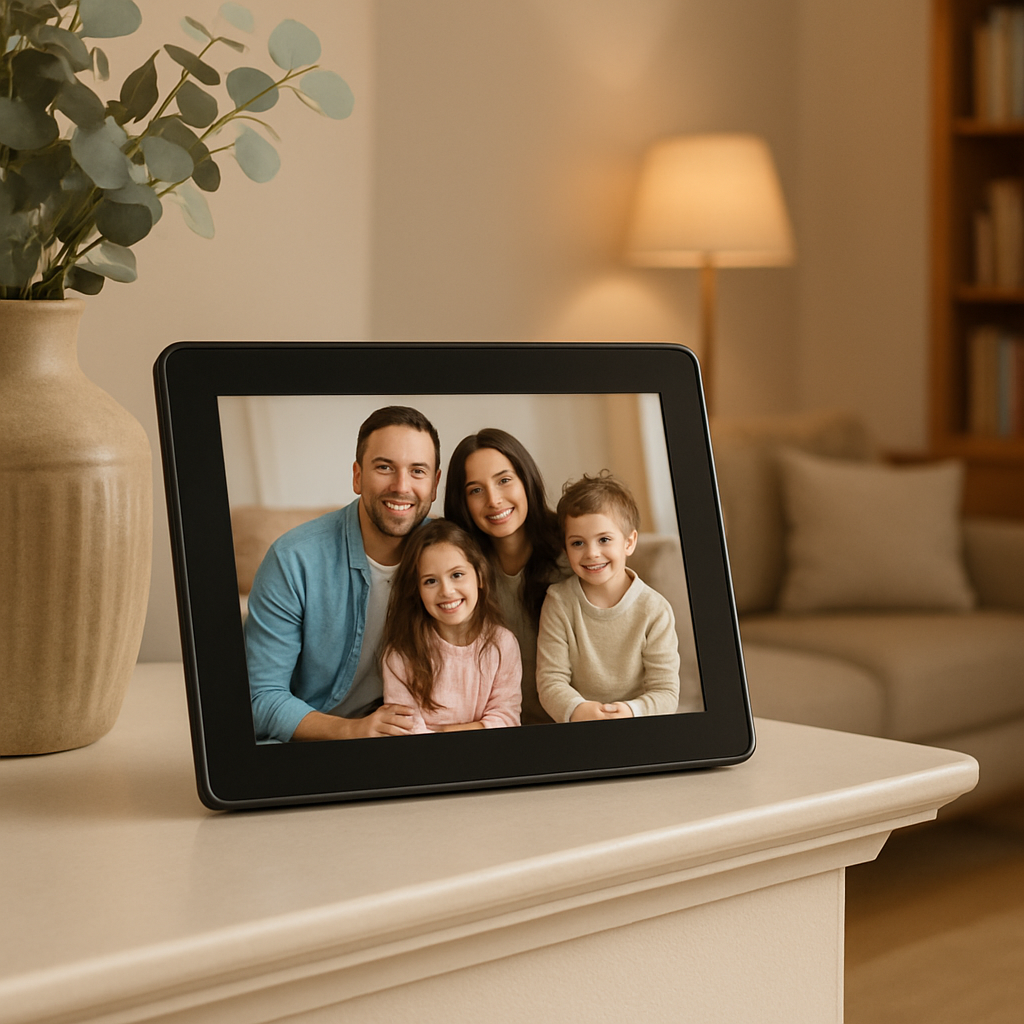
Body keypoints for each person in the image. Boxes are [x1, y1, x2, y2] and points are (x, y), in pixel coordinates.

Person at [245, 406, 441, 742]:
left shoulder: (454, 557)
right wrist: (351, 730)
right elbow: (259, 698)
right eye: (384, 467)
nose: (401, 486)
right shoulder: (293, 559)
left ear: (435, 483)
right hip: (320, 738)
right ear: (357, 476)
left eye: (418, 471)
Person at [444, 429, 570, 725]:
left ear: (526, 479)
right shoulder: (458, 571)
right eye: (476, 490)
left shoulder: (573, 552)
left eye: (504, 480)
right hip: (494, 732)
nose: (494, 500)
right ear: (462, 502)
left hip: (572, 727)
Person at [536, 472, 680, 723]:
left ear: (629, 542)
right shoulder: (559, 601)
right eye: (578, 543)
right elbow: (550, 680)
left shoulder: (655, 610)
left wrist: (632, 711)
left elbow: (666, 691)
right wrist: (577, 709)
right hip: (578, 726)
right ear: (564, 547)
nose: (592, 553)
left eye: (604, 540)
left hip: (638, 726)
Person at [380, 519, 522, 733]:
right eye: (430, 581)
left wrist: (446, 732)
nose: (446, 591)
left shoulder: (503, 643)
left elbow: (506, 719)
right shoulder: (401, 654)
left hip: (489, 755)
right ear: (416, 590)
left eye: (457, 575)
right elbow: (406, 729)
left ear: (480, 576)